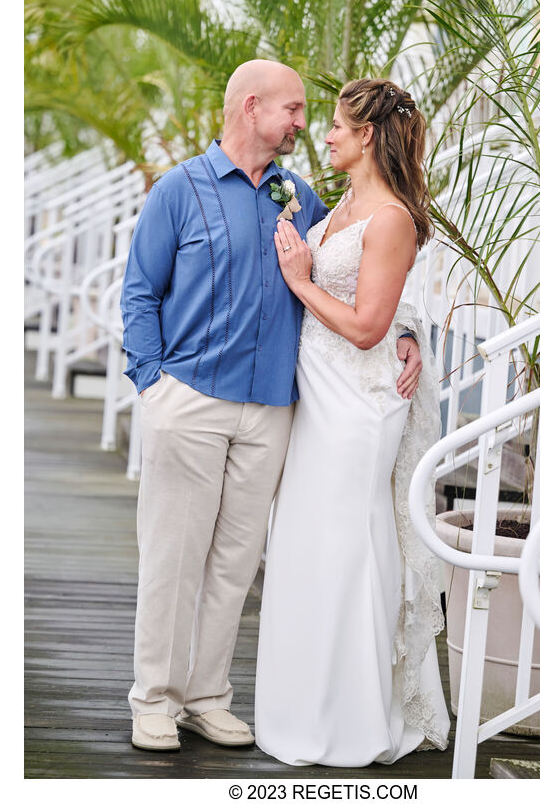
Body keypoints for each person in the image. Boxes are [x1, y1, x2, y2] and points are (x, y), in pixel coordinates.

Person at [120, 60, 424, 752]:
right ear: (251, 107)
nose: (302, 124)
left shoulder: (298, 196)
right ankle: (154, 699)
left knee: (234, 562)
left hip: (274, 412)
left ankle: (205, 696)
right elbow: (139, 292)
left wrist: (404, 335)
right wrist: (154, 385)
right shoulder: (179, 190)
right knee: (172, 556)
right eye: (291, 110)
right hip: (189, 400)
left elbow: (360, 274)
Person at [254, 78, 450, 767]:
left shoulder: (391, 215)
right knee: (305, 546)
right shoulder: (342, 203)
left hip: (358, 406)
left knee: (348, 550)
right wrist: (410, 329)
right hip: (318, 397)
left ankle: (355, 721)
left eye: (337, 125)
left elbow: (368, 326)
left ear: (367, 135)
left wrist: (302, 282)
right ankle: (299, 710)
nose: (326, 135)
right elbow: (387, 305)